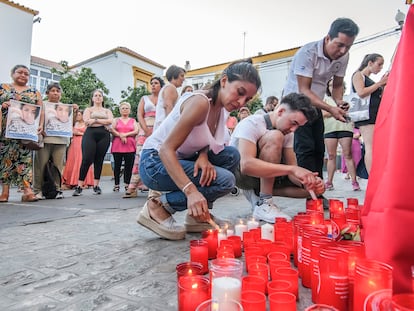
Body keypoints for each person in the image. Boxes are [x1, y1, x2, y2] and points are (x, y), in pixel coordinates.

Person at [137, 59, 261, 240]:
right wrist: (191, 192)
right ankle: (158, 207)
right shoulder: (200, 102)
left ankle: (197, 217)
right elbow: (166, 149)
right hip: (154, 163)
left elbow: (201, 134)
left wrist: (203, 155)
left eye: (247, 99)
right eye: (240, 93)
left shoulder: (223, 108)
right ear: (224, 81)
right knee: (226, 180)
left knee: (231, 155)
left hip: (180, 158)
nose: (241, 102)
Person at [283, 18, 359, 183]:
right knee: (305, 148)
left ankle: (317, 187)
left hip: (315, 103)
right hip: (295, 104)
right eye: (339, 45)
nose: (342, 51)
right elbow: (304, 90)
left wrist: (338, 101)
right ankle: (307, 190)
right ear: (327, 39)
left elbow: (337, 85)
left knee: (319, 148)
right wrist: (331, 109)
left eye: (348, 46)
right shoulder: (307, 53)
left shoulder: (344, 57)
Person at [230, 93, 324, 223]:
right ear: (280, 111)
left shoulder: (288, 133)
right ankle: (264, 202)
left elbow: (292, 171)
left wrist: (309, 181)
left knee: (310, 191)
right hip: (241, 176)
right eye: (293, 123)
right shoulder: (252, 123)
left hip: (263, 177)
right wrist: (291, 169)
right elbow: (246, 166)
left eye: (298, 126)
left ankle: (259, 193)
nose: (294, 130)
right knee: (275, 136)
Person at [0, 64, 43, 202]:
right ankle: (5, 192)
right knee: (5, 159)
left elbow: (40, 110)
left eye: (26, 73)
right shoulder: (3, 88)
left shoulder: (34, 91)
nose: (23, 75)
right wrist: (2, 105)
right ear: (13, 74)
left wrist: (41, 125)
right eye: (20, 72)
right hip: (6, 130)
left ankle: (27, 191)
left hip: (26, 131)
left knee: (25, 159)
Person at [123, 76, 165, 198]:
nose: (153, 85)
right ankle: (132, 186)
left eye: (156, 83)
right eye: (151, 83)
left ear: (161, 86)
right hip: (145, 130)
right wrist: (146, 129)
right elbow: (139, 115)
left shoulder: (164, 99)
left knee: (158, 158)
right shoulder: (144, 99)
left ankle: (155, 188)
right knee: (140, 156)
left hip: (160, 131)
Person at [33, 83, 74, 200]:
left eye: (58, 91)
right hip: (44, 139)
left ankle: (57, 189)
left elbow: (69, 123)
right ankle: (37, 190)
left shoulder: (66, 107)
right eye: (53, 90)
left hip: (61, 140)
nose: (55, 93)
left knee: (58, 166)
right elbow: (36, 119)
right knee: (40, 165)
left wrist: (74, 111)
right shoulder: (42, 105)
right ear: (47, 93)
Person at [351, 53, 388, 174]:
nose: (380, 67)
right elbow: (361, 92)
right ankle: (372, 177)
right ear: (370, 63)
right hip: (367, 116)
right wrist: (379, 84)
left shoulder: (370, 79)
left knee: (375, 147)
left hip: (374, 115)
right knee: (370, 146)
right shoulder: (358, 75)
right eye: (379, 64)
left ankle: (375, 175)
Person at [72, 89, 113, 196]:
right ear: (92, 98)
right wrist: (101, 122)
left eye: (100, 95)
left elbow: (110, 121)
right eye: (96, 95)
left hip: (104, 135)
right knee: (87, 159)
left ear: (102, 98)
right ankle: (79, 185)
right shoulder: (88, 109)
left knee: (99, 160)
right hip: (90, 134)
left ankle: (96, 185)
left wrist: (95, 120)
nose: (98, 97)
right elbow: (87, 122)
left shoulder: (107, 110)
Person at [323, 79, 360, 191]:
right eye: (330, 85)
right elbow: (323, 114)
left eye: (335, 85)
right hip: (330, 129)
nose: (332, 87)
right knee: (331, 155)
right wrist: (338, 110)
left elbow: (353, 114)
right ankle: (329, 181)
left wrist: (337, 111)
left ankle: (354, 181)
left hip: (345, 127)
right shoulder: (325, 100)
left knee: (348, 154)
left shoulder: (348, 99)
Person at [110, 102, 139, 192]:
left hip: (130, 145)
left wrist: (125, 135)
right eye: (123, 108)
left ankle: (127, 184)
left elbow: (136, 130)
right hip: (117, 145)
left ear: (129, 110)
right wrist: (120, 135)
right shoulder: (116, 120)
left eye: (126, 108)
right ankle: (116, 184)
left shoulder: (133, 120)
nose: (125, 110)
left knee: (129, 166)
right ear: (120, 110)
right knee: (117, 166)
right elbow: (112, 129)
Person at [62, 109, 94, 188]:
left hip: (83, 143)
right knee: (72, 160)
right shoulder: (74, 124)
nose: (78, 116)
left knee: (81, 161)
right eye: (77, 115)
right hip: (73, 144)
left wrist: (79, 133)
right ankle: (70, 181)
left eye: (79, 115)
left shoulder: (86, 124)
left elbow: (89, 134)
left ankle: (84, 181)